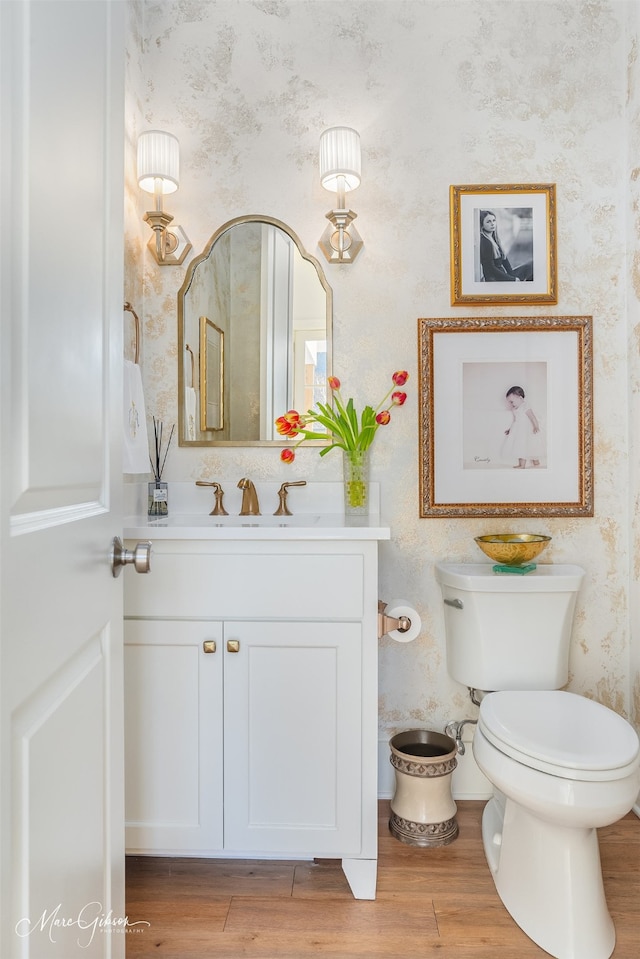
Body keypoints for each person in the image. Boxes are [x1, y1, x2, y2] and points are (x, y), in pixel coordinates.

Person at [479, 210, 533, 282]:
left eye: (494, 220)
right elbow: (491, 269)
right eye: (488, 221)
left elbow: (504, 260)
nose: (492, 224)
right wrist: (512, 279)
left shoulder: (494, 239)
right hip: (496, 280)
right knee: (531, 267)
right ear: (482, 225)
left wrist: (512, 275)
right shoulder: (485, 242)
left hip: (503, 276)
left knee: (532, 265)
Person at [502, 385, 543, 468]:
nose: (511, 404)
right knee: (520, 447)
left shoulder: (525, 407)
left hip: (526, 432)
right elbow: (515, 421)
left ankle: (536, 462)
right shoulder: (514, 409)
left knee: (530, 447)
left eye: (512, 401)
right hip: (518, 432)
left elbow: (532, 417)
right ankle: (522, 464)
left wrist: (536, 426)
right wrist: (510, 430)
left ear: (520, 398)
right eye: (510, 402)